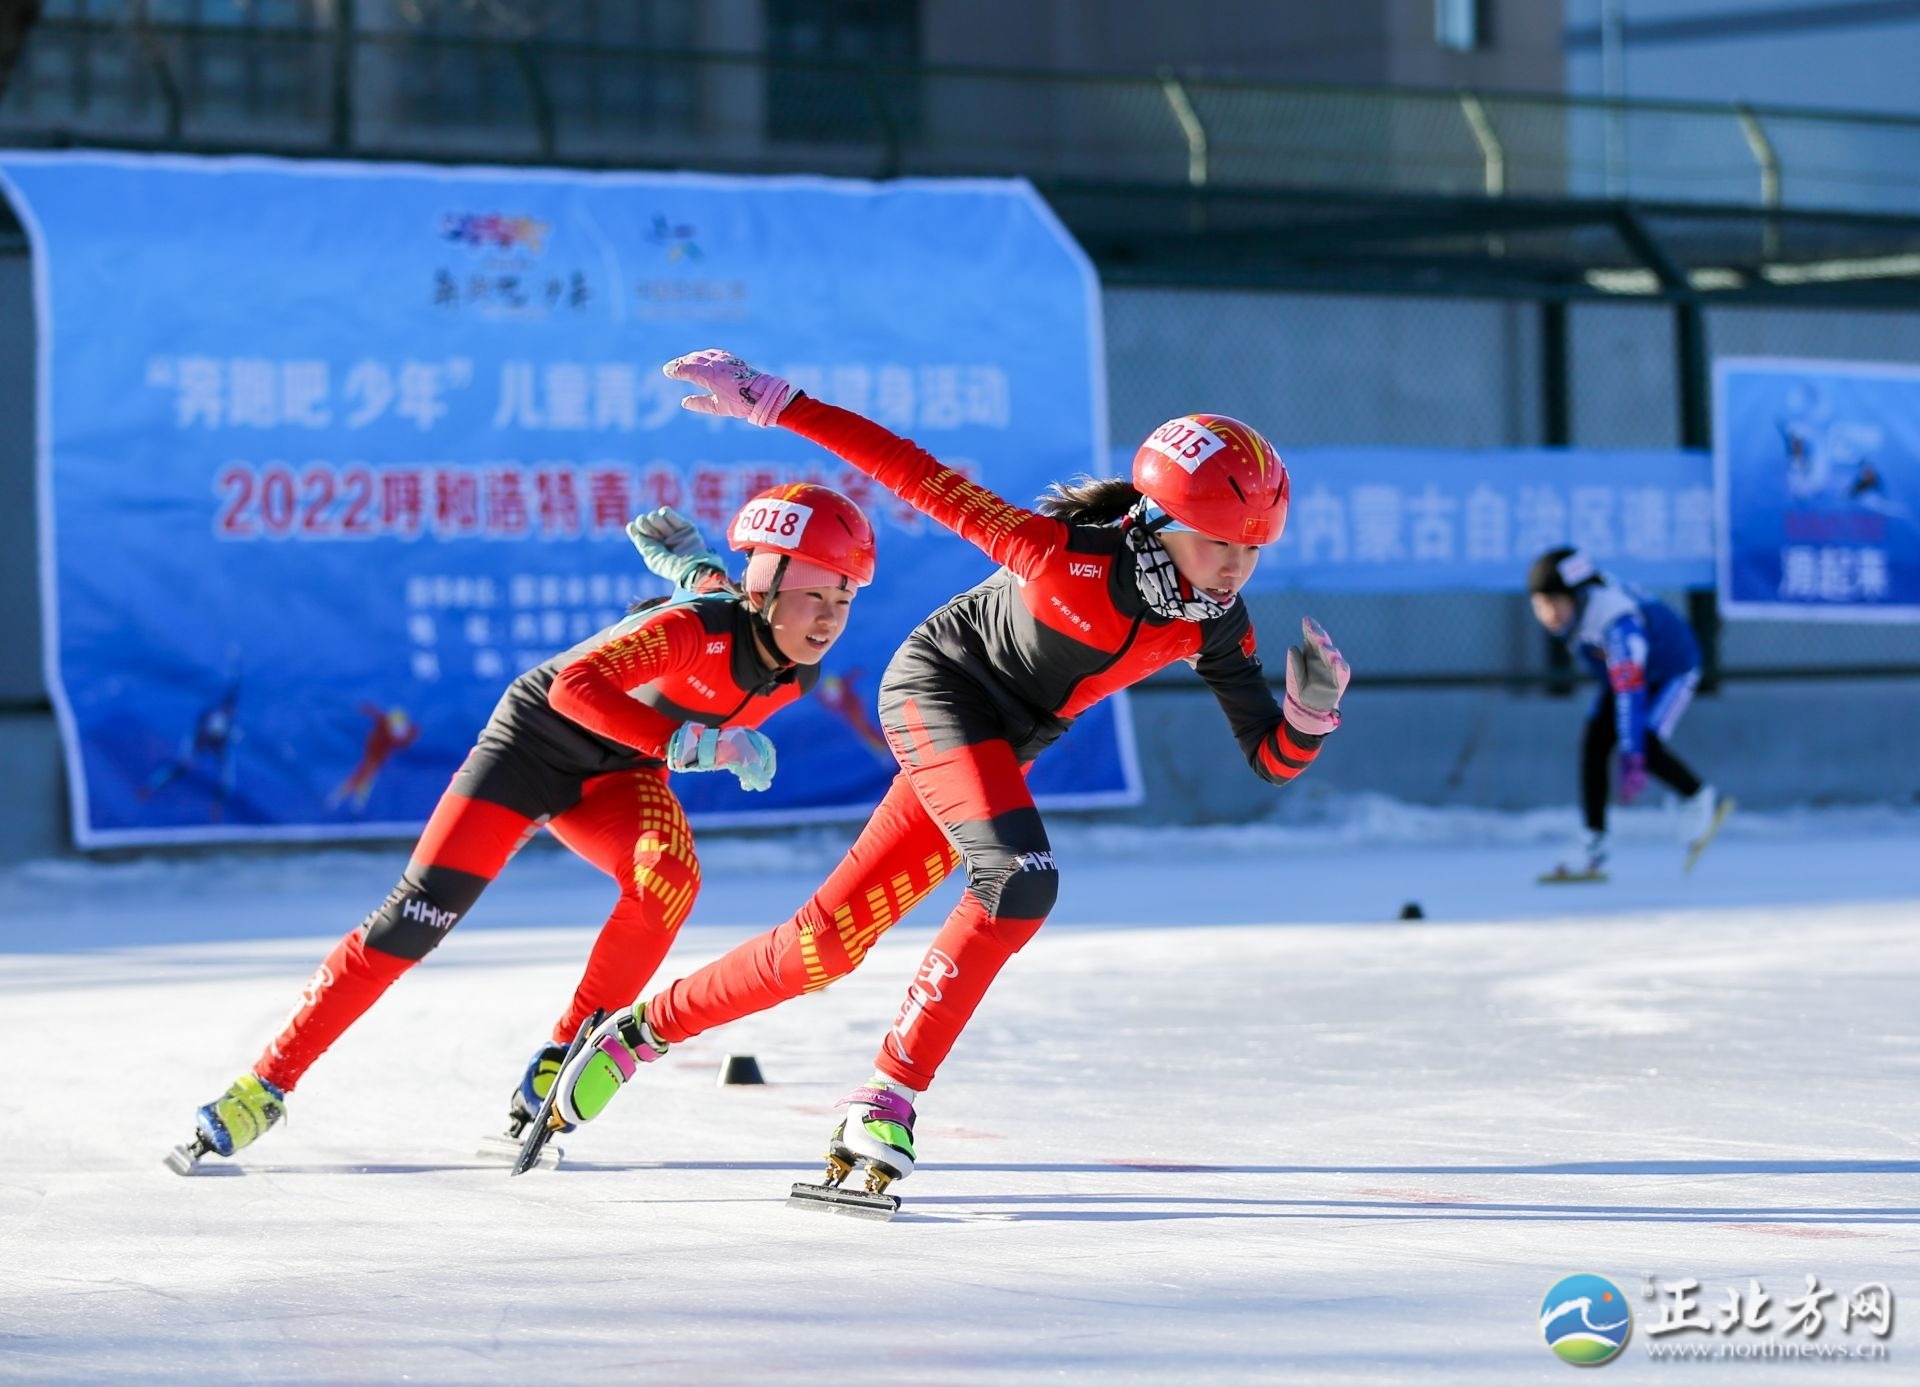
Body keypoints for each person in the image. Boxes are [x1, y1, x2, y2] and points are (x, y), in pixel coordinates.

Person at [546, 348, 1351, 1198]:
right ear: (1157, 518)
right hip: (937, 691)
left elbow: (1268, 759)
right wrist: (777, 403)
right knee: (1020, 878)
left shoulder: (1215, 624)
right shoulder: (1057, 552)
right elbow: (911, 471)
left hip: (998, 747)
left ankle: (640, 1030)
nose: (1233, 569)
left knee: (825, 945)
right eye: (1218, 543)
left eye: (1253, 550)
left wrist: (1308, 715)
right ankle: (885, 1101)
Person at [177, 482, 878, 1166]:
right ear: (764, 585)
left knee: (668, 879)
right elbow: (575, 686)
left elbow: (719, 599)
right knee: (412, 921)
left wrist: (696, 583)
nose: (828, 617)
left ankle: (563, 1059)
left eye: (844, 598)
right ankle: (264, 1083)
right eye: (814, 593)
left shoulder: (793, 676)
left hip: (619, 776)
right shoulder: (693, 627)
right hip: (529, 748)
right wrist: (685, 742)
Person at [1527, 545, 1729, 880]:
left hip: (1671, 669)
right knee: (1593, 741)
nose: (1549, 615)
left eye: (1555, 603)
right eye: (1540, 605)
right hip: (1627, 673)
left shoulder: (1617, 623)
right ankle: (1592, 842)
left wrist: (1632, 756)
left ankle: (1698, 796)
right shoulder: (1577, 614)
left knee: (1643, 740)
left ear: (1576, 598)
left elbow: (1630, 692)